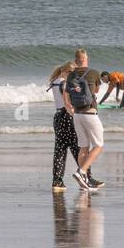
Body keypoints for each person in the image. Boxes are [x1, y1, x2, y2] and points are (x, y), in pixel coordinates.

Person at [62, 48, 104, 192]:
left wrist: (68, 107)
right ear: (86, 59)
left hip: (77, 115)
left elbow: (66, 95)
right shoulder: (93, 73)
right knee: (98, 146)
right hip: (90, 113)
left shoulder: (71, 75)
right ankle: (82, 172)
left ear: (75, 61)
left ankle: (83, 180)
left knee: (83, 147)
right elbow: (97, 91)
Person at [45, 61, 80, 192]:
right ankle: (86, 176)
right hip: (67, 116)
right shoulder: (64, 83)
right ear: (67, 72)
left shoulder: (55, 81)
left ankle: (57, 181)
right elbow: (69, 102)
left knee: (60, 150)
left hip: (58, 117)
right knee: (77, 147)